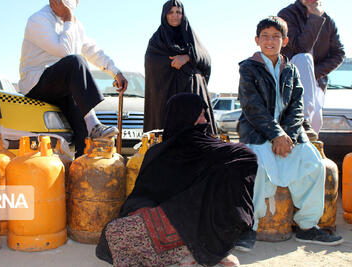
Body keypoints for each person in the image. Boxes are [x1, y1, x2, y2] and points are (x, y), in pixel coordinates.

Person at [96, 93, 258, 266]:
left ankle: (211, 249)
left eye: (205, 114)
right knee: (114, 232)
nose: (205, 121)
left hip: (205, 222)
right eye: (200, 115)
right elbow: (142, 195)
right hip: (171, 220)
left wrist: (197, 200)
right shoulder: (158, 153)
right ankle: (194, 251)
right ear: (184, 115)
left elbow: (246, 158)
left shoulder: (217, 151)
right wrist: (147, 212)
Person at [235, 16, 343, 252]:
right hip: (256, 132)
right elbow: (253, 108)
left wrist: (289, 138)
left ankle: (307, 227)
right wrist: (276, 136)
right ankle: (247, 229)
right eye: (265, 36)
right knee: (257, 169)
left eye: (276, 36)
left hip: (288, 134)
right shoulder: (248, 68)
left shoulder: (291, 70)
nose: (270, 41)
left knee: (314, 165)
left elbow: (297, 108)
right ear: (257, 40)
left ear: (285, 40)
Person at [19, 0, 128, 158]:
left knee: (83, 126)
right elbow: (65, 52)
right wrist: (68, 17)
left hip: (62, 87)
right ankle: (95, 125)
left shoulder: (76, 26)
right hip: (37, 83)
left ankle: (79, 172)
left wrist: (115, 72)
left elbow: (93, 51)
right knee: (76, 61)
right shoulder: (38, 19)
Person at [143, 0, 217, 135]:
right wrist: (171, 62)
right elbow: (151, 62)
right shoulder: (157, 40)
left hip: (193, 92)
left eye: (178, 12)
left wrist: (187, 58)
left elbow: (206, 60)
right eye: (170, 12)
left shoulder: (191, 36)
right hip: (167, 95)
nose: (175, 15)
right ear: (164, 15)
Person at [278, 0, 345, 138]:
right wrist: (315, 18)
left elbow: (339, 53)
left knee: (316, 125)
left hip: (316, 81)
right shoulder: (287, 15)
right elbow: (301, 47)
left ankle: (307, 154)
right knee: (304, 58)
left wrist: (313, 73)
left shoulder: (327, 20)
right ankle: (301, 120)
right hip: (291, 77)